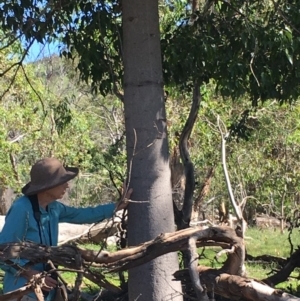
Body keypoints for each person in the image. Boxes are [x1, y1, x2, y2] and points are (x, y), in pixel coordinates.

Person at [0, 157, 132, 301]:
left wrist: (117, 205)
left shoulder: (53, 207)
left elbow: (82, 214)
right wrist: (30, 274)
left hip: (46, 292)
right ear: (48, 186)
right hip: (21, 293)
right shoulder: (21, 209)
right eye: (63, 182)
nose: (67, 186)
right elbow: (2, 252)